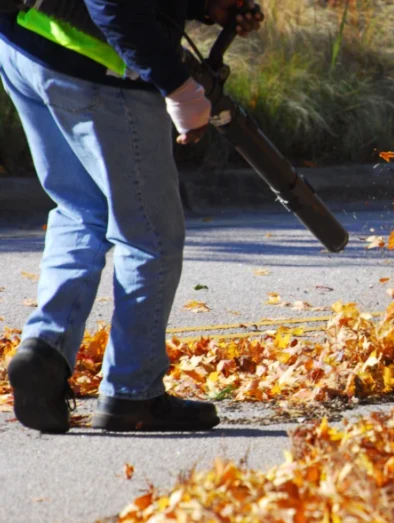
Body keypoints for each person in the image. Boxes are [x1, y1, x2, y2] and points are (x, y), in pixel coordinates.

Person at [1, 0, 263, 433]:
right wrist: (178, 87)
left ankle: (44, 350)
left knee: (80, 208)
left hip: (26, 42)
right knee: (149, 235)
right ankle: (133, 393)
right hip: (95, 65)